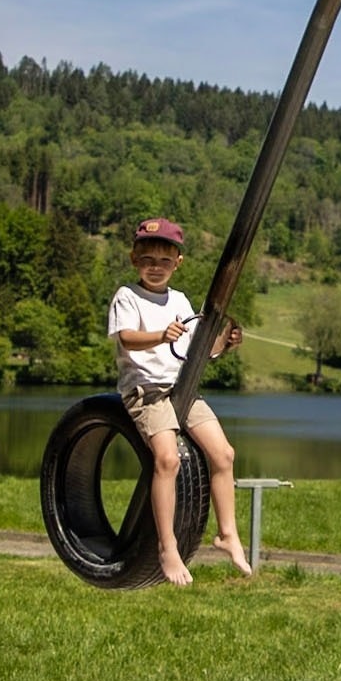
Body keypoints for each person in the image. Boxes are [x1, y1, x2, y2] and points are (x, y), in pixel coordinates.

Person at [109, 217, 252, 586]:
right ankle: (167, 546)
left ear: (178, 263)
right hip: (147, 391)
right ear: (133, 259)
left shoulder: (180, 301)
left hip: (182, 387)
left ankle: (227, 534)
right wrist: (159, 334)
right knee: (168, 459)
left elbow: (192, 352)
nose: (155, 267)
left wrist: (224, 344)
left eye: (164, 260)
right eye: (147, 259)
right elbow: (127, 339)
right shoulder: (128, 296)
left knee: (224, 454)